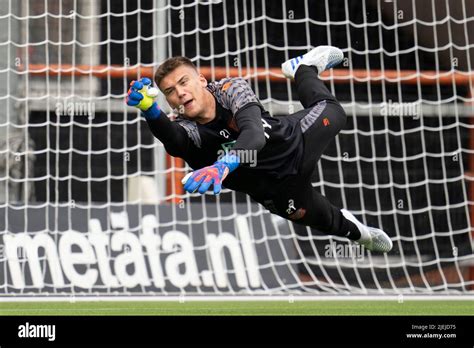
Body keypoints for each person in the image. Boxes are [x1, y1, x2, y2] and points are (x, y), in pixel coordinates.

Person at [126, 46, 393, 253]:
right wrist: (150, 111)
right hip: (277, 190)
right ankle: (363, 235)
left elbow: (254, 136)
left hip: (296, 139)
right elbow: (174, 141)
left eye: (184, 82)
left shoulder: (231, 89)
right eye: (170, 91)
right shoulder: (186, 127)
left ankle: (305, 68)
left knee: (336, 112)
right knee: (329, 222)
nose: (180, 93)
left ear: (202, 80)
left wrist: (223, 165)